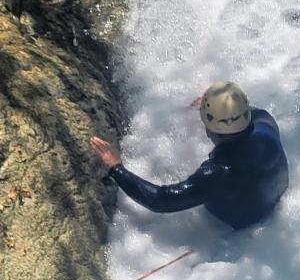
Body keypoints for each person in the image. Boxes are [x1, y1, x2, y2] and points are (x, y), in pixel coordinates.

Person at [91, 81, 289, 231]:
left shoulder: (217, 173)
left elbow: (160, 200)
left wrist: (115, 167)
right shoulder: (265, 123)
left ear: (209, 129)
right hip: (274, 209)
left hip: (236, 229)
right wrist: (216, 109)